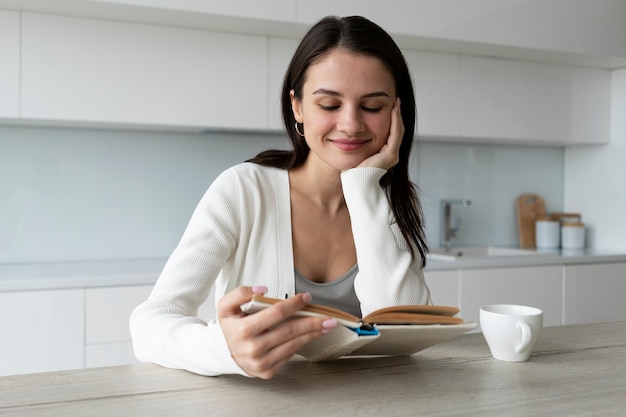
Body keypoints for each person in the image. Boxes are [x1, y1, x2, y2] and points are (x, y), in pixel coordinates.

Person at [130, 15, 431, 379]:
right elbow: (151, 322)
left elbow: (404, 329)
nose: (351, 124)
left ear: (397, 113)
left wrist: (364, 185)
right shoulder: (243, 190)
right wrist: (226, 349)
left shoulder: (391, 202)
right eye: (329, 105)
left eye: (372, 107)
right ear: (298, 107)